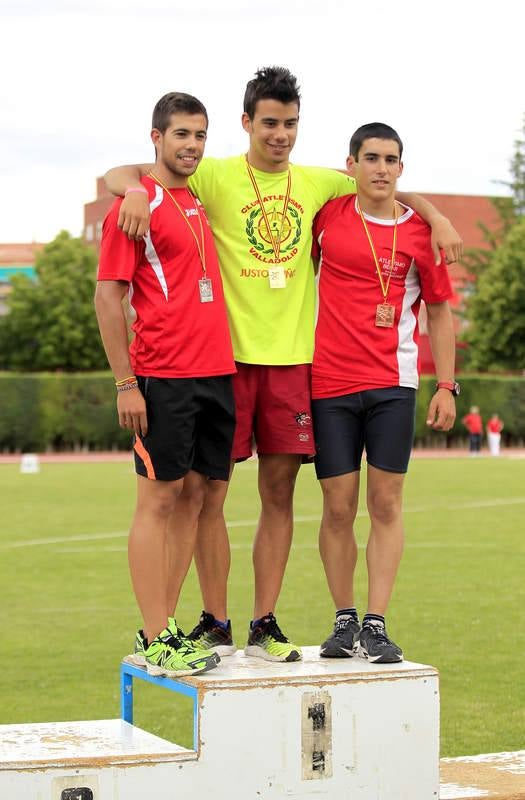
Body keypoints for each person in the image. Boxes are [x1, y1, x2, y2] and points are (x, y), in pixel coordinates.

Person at [104, 67, 463, 663]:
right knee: (205, 494)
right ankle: (211, 620)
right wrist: (135, 189)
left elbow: (386, 190)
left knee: (279, 494)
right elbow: (126, 174)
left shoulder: (320, 183)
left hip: (295, 361)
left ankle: (263, 621)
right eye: (269, 122)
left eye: (290, 124)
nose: (280, 134)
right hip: (221, 360)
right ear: (246, 123)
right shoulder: (212, 172)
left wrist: (438, 215)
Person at [94, 91, 236, 677]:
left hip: (216, 372)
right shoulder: (134, 205)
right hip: (161, 375)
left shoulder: (200, 194)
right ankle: (153, 633)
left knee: (198, 498)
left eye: (201, 136)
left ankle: (168, 629)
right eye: (182, 135)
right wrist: (125, 382)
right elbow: (108, 297)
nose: (193, 146)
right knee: (157, 501)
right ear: (157, 137)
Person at [312, 122, 457, 663]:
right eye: (370, 158)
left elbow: (440, 313)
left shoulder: (421, 233)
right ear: (350, 164)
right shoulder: (326, 214)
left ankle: (376, 623)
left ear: (401, 167)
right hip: (328, 382)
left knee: (386, 502)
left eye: (391, 159)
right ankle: (343, 618)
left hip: (394, 384)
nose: (380, 168)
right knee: (337, 506)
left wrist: (446, 383)